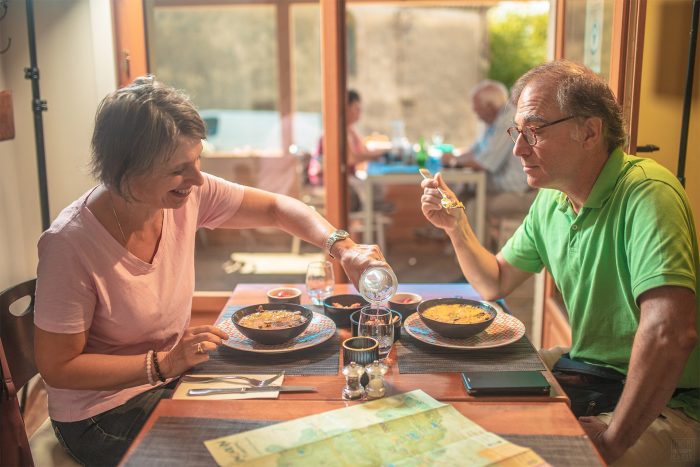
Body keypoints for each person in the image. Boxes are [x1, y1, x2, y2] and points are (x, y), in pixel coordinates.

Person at [33, 76, 389, 466]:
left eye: (198, 160)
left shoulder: (187, 196)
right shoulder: (69, 244)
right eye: (178, 169)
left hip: (168, 379)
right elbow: (58, 367)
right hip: (100, 415)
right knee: (250, 451)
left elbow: (277, 209)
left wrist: (346, 249)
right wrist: (162, 363)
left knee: (288, 410)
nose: (197, 178)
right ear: (126, 169)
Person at [420, 60, 699, 465]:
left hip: (671, 402)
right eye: (518, 132)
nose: (518, 148)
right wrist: (456, 226)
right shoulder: (553, 199)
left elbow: (669, 335)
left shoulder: (648, 194)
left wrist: (612, 439)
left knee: (560, 458)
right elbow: (495, 281)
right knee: (463, 381)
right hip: (592, 370)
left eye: (534, 131)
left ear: (589, 130)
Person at [441, 80, 536, 249]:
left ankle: (479, 265)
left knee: (474, 206)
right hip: (501, 186)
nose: (475, 112)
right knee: (458, 197)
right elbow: (475, 151)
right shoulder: (493, 122)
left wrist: (453, 160)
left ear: (490, 106)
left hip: (520, 192)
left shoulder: (508, 120)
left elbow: (483, 163)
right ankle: (460, 256)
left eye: (477, 108)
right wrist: (455, 157)